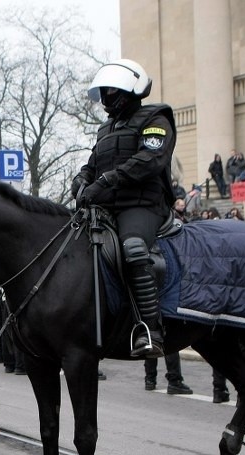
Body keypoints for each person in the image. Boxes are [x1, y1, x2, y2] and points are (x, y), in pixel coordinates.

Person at [71, 58, 175, 358]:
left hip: (141, 205)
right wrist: (81, 180)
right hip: (105, 207)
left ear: (131, 89)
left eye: (111, 92)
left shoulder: (155, 118)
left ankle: (150, 330)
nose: (106, 99)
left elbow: (149, 160)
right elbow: (92, 165)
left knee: (133, 248)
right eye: (103, 93)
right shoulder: (106, 129)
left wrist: (106, 181)